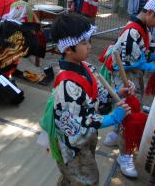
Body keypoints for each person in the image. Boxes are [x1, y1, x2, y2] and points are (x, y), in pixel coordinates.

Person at [40, 13, 132, 186]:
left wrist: (118, 93)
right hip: (73, 147)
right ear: (68, 48)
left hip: (84, 141)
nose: (90, 46)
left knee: (73, 179)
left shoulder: (86, 67)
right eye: (84, 43)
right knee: (85, 180)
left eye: (89, 41)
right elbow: (74, 128)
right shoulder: (66, 86)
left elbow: (97, 98)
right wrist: (111, 119)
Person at [101, 0, 155, 178]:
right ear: (150, 13)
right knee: (131, 113)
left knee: (126, 111)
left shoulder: (144, 29)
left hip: (132, 77)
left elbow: (143, 54)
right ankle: (125, 154)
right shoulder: (132, 31)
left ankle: (116, 134)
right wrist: (150, 66)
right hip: (125, 79)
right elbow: (127, 62)